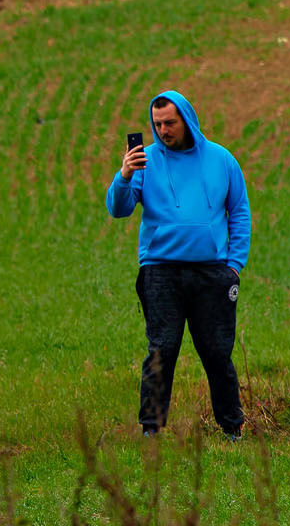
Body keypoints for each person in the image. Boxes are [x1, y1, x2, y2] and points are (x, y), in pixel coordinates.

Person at [107, 89, 252, 438]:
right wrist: (124, 175)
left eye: (170, 122)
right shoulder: (144, 161)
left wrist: (234, 265)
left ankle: (232, 427)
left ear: (187, 119)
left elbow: (239, 212)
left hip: (212, 273)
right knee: (162, 348)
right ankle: (151, 429)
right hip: (160, 271)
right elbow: (119, 209)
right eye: (157, 124)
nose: (163, 130)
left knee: (217, 352)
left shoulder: (221, 160)